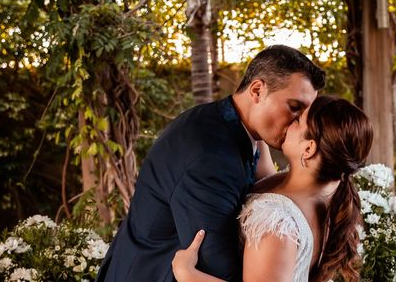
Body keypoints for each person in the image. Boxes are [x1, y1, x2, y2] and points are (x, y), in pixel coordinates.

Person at [95, 45, 325, 282]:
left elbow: (268, 186)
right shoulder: (210, 157)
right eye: (294, 108)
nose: (300, 123)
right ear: (257, 90)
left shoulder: (237, 126)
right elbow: (214, 269)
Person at [171, 95, 374, 282]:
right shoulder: (322, 190)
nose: (289, 119)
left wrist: (188, 275)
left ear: (309, 148)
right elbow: (267, 177)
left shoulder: (277, 225)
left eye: (297, 120)